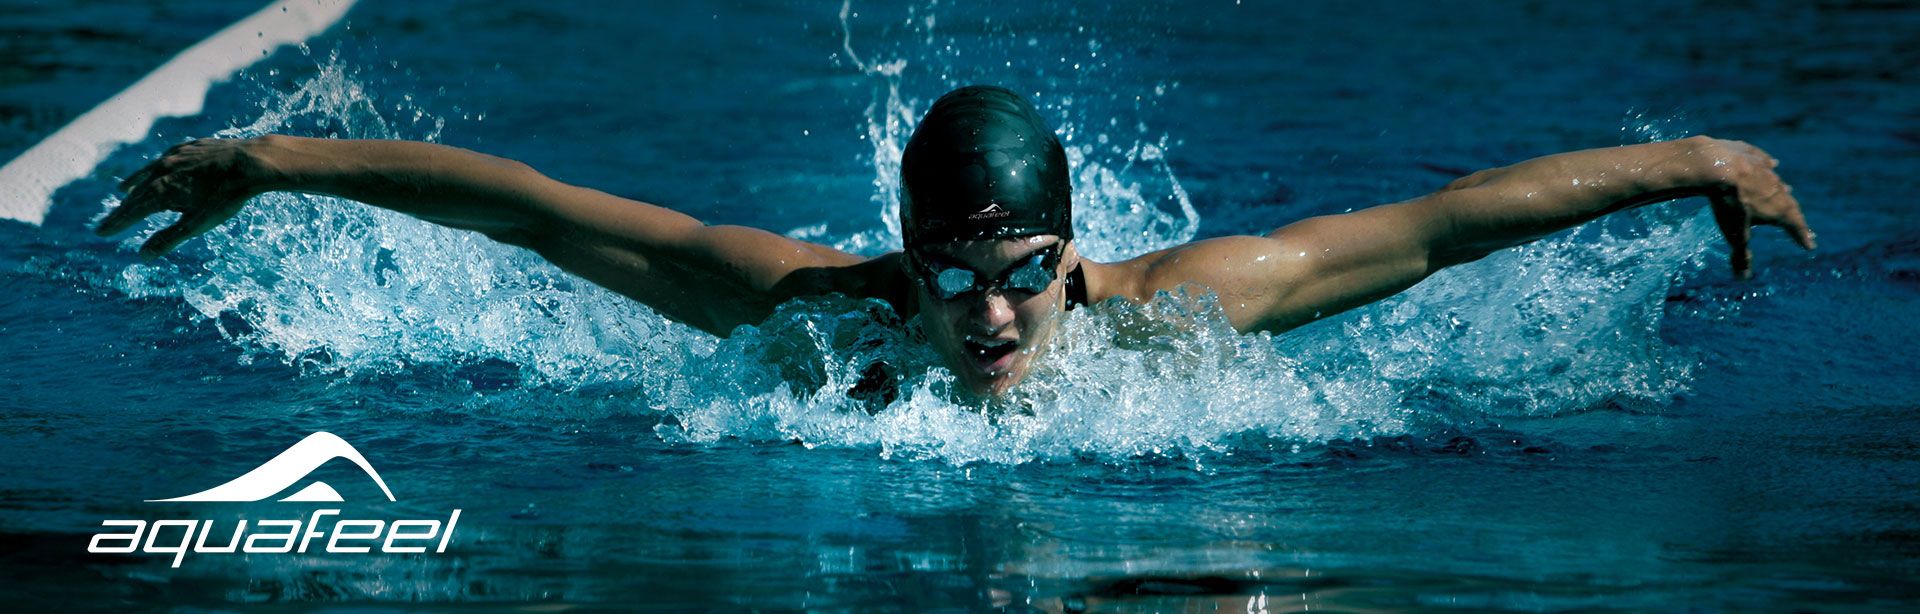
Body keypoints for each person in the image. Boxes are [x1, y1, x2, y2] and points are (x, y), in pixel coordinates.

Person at [97, 85, 1813, 399]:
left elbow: (1441, 229)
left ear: (1074, 258)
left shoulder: (1171, 323)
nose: (990, 319)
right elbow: (535, 211)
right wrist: (278, 160)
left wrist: (1694, 158)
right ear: (901, 262)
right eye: (952, 277)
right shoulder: (818, 320)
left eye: (1021, 275)